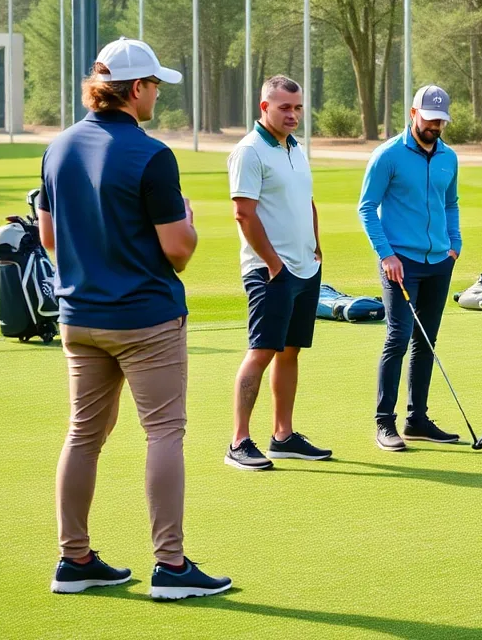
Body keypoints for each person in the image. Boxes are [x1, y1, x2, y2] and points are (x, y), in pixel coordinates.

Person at [39, 37, 231, 600]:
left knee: (83, 436)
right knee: (165, 432)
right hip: (146, 318)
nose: (158, 97)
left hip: (80, 318)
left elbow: (50, 237)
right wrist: (190, 221)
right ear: (136, 89)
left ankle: (74, 559)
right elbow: (177, 249)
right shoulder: (152, 154)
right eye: (155, 87)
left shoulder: (58, 148)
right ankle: (170, 568)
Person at [225, 75, 332, 470]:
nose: (293, 114)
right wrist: (273, 263)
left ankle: (283, 436)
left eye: (297, 107)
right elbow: (244, 214)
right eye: (284, 107)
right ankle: (238, 441)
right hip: (270, 270)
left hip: (304, 266)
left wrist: (316, 245)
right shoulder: (249, 151)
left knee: (290, 351)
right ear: (264, 107)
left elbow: (307, 201)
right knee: (262, 351)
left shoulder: (295, 148)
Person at [359, 84, 462, 451]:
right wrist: (386, 254)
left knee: (426, 341)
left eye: (441, 121)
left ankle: (416, 419)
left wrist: (455, 244)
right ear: (414, 114)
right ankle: (384, 423)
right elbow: (367, 207)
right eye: (431, 118)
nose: (436, 126)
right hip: (400, 263)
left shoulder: (449, 157)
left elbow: (451, 203)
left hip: (439, 261)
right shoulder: (388, 155)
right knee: (398, 337)